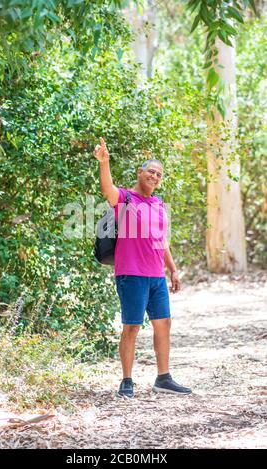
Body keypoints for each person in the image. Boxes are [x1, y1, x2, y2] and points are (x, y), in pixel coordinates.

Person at [94, 137, 192, 398]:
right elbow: (107, 189)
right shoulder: (125, 199)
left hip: (156, 277)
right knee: (132, 327)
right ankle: (127, 380)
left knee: (164, 324)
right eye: (151, 171)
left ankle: (163, 378)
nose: (155, 176)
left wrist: (172, 269)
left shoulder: (159, 204)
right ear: (140, 172)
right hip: (131, 275)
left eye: (159, 174)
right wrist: (105, 163)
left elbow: (161, 240)